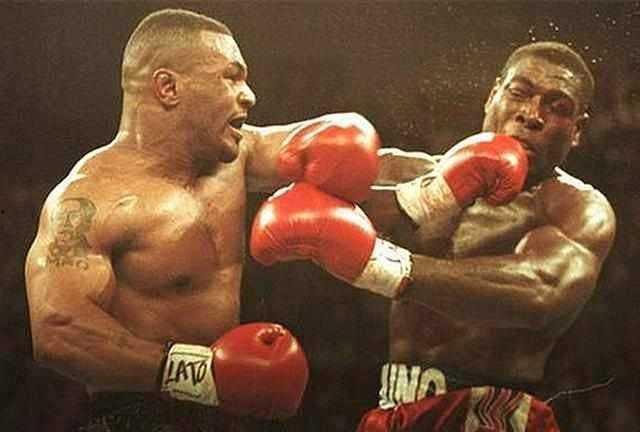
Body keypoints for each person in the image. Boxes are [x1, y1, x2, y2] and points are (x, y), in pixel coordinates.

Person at [24, 8, 382, 432]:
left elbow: (361, 162)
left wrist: (439, 188)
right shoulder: (88, 199)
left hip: (230, 411)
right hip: (136, 417)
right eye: (231, 77)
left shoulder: (236, 156)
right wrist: (205, 375)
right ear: (168, 87)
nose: (249, 95)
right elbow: (58, 330)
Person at [250, 41, 616, 431]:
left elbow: (542, 290)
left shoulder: (578, 207)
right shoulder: (411, 174)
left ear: (577, 131)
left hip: (491, 415)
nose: (532, 115)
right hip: (394, 407)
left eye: (557, 107)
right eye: (519, 93)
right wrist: (424, 197)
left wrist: (382, 267)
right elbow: (257, 165)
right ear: (492, 95)